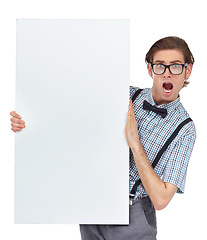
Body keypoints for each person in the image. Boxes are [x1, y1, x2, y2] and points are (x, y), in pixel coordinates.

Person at [10, 36, 196, 240]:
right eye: (160, 66)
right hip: (93, 207)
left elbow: (160, 199)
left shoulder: (185, 129)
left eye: (176, 66)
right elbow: (69, 114)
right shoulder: (123, 95)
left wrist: (135, 143)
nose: (167, 73)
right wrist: (28, 121)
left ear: (188, 70)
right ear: (150, 70)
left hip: (134, 219)